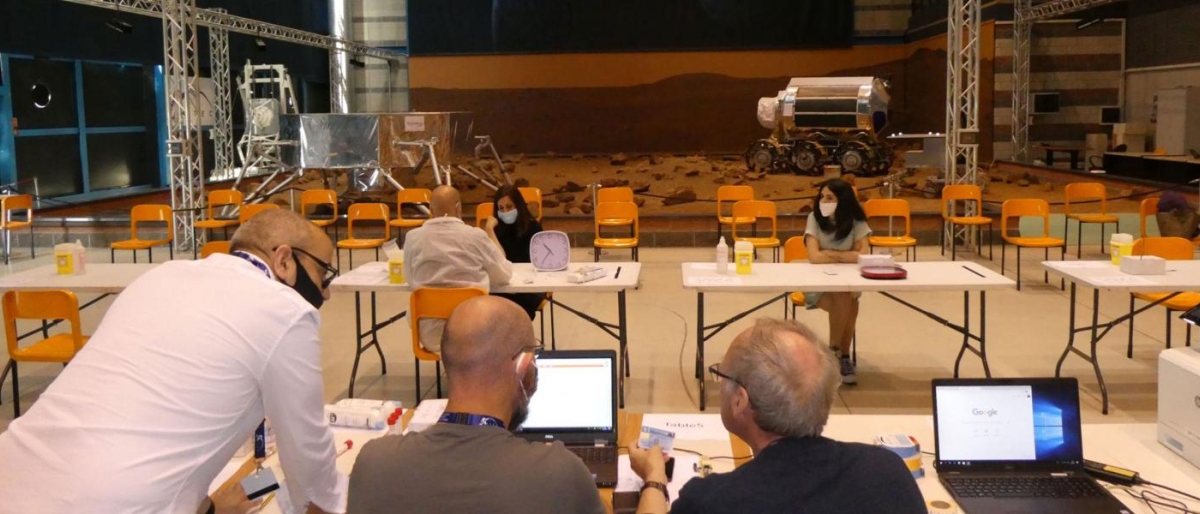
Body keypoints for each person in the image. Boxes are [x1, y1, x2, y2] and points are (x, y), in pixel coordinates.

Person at [0, 209, 345, 514]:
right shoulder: (284, 309)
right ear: (284, 260)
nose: (325, 292)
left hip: (15, 470)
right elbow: (308, 457)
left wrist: (205, 508)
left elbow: (158, 420)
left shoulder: (159, 276)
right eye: (323, 274)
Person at [628, 318, 925, 514]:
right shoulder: (887, 472)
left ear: (739, 401)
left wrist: (654, 478)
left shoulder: (712, 502)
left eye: (721, 374)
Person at [347, 296, 607, 514]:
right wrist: (650, 480)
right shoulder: (560, 474)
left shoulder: (373, 463)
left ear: (447, 365)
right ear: (524, 367)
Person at [402, 185, 513, 352]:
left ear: (431, 210)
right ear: (459, 208)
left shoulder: (413, 237)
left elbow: (410, 278)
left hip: (430, 335)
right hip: (473, 332)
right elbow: (503, 275)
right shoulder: (475, 236)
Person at [803, 178, 870, 384]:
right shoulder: (814, 219)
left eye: (830, 197)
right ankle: (838, 354)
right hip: (818, 283)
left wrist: (829, 253)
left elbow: (863, 254)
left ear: (843, 200)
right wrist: (846, 254)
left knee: (851, 300)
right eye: (822, 196)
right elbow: (814, 257)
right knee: (847, 299)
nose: (824, 201)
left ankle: (838, 355)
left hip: (847, 282)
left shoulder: (856, 221)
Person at [485, 185, 547, 319]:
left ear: (518, 205)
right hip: (504, 284)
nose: (505, 211)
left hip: (529, 285)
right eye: (501, 208)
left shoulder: (532, 227)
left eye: (509, 207)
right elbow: (501, 259)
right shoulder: (496, 229)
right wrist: (489, 230)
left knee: (511, 311)